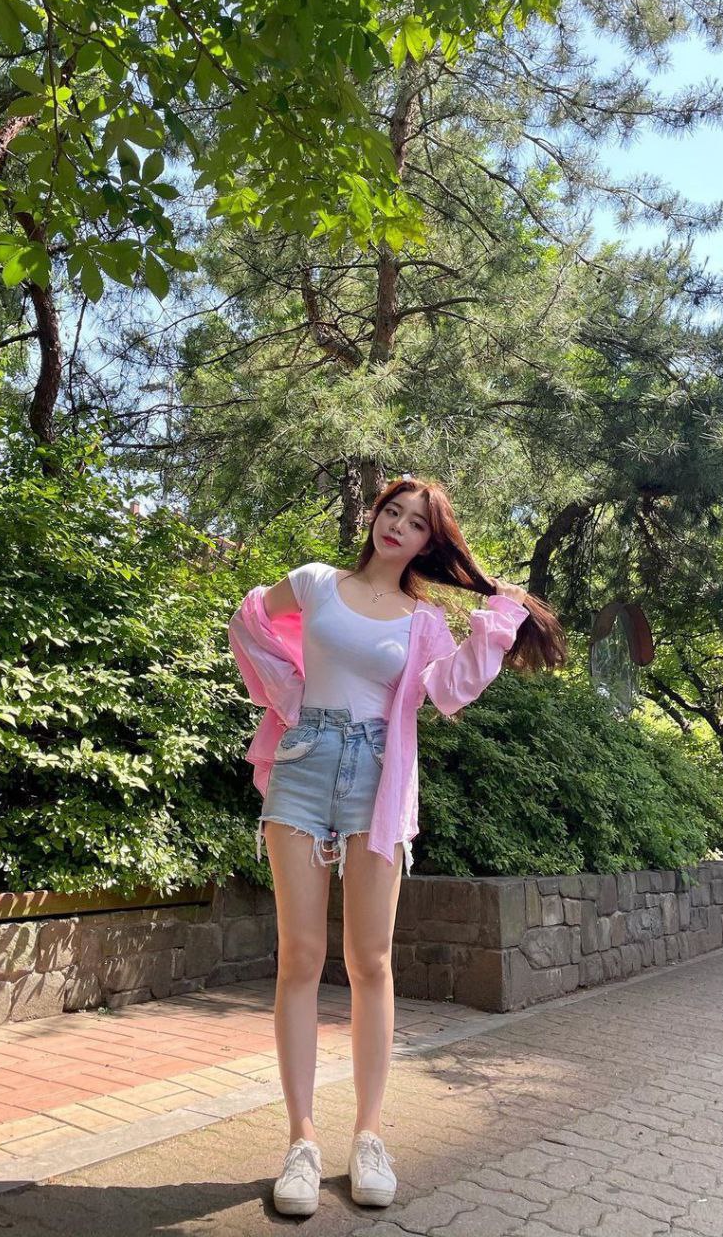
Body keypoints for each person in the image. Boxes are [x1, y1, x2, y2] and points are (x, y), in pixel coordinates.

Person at [227, 477, 567, 1217]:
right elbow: (249, 618)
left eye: (416, 523)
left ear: (427, 544)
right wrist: (287, 692)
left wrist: (498, 618)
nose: (398, 526)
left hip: (377, 779)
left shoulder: (424, 621)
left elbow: (448, 690)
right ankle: (301, 1141)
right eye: (392, 512)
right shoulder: (316, 582)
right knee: (300, 956)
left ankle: (369, 1136)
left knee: (371, 961)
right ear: (375, 516)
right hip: (304, 765)